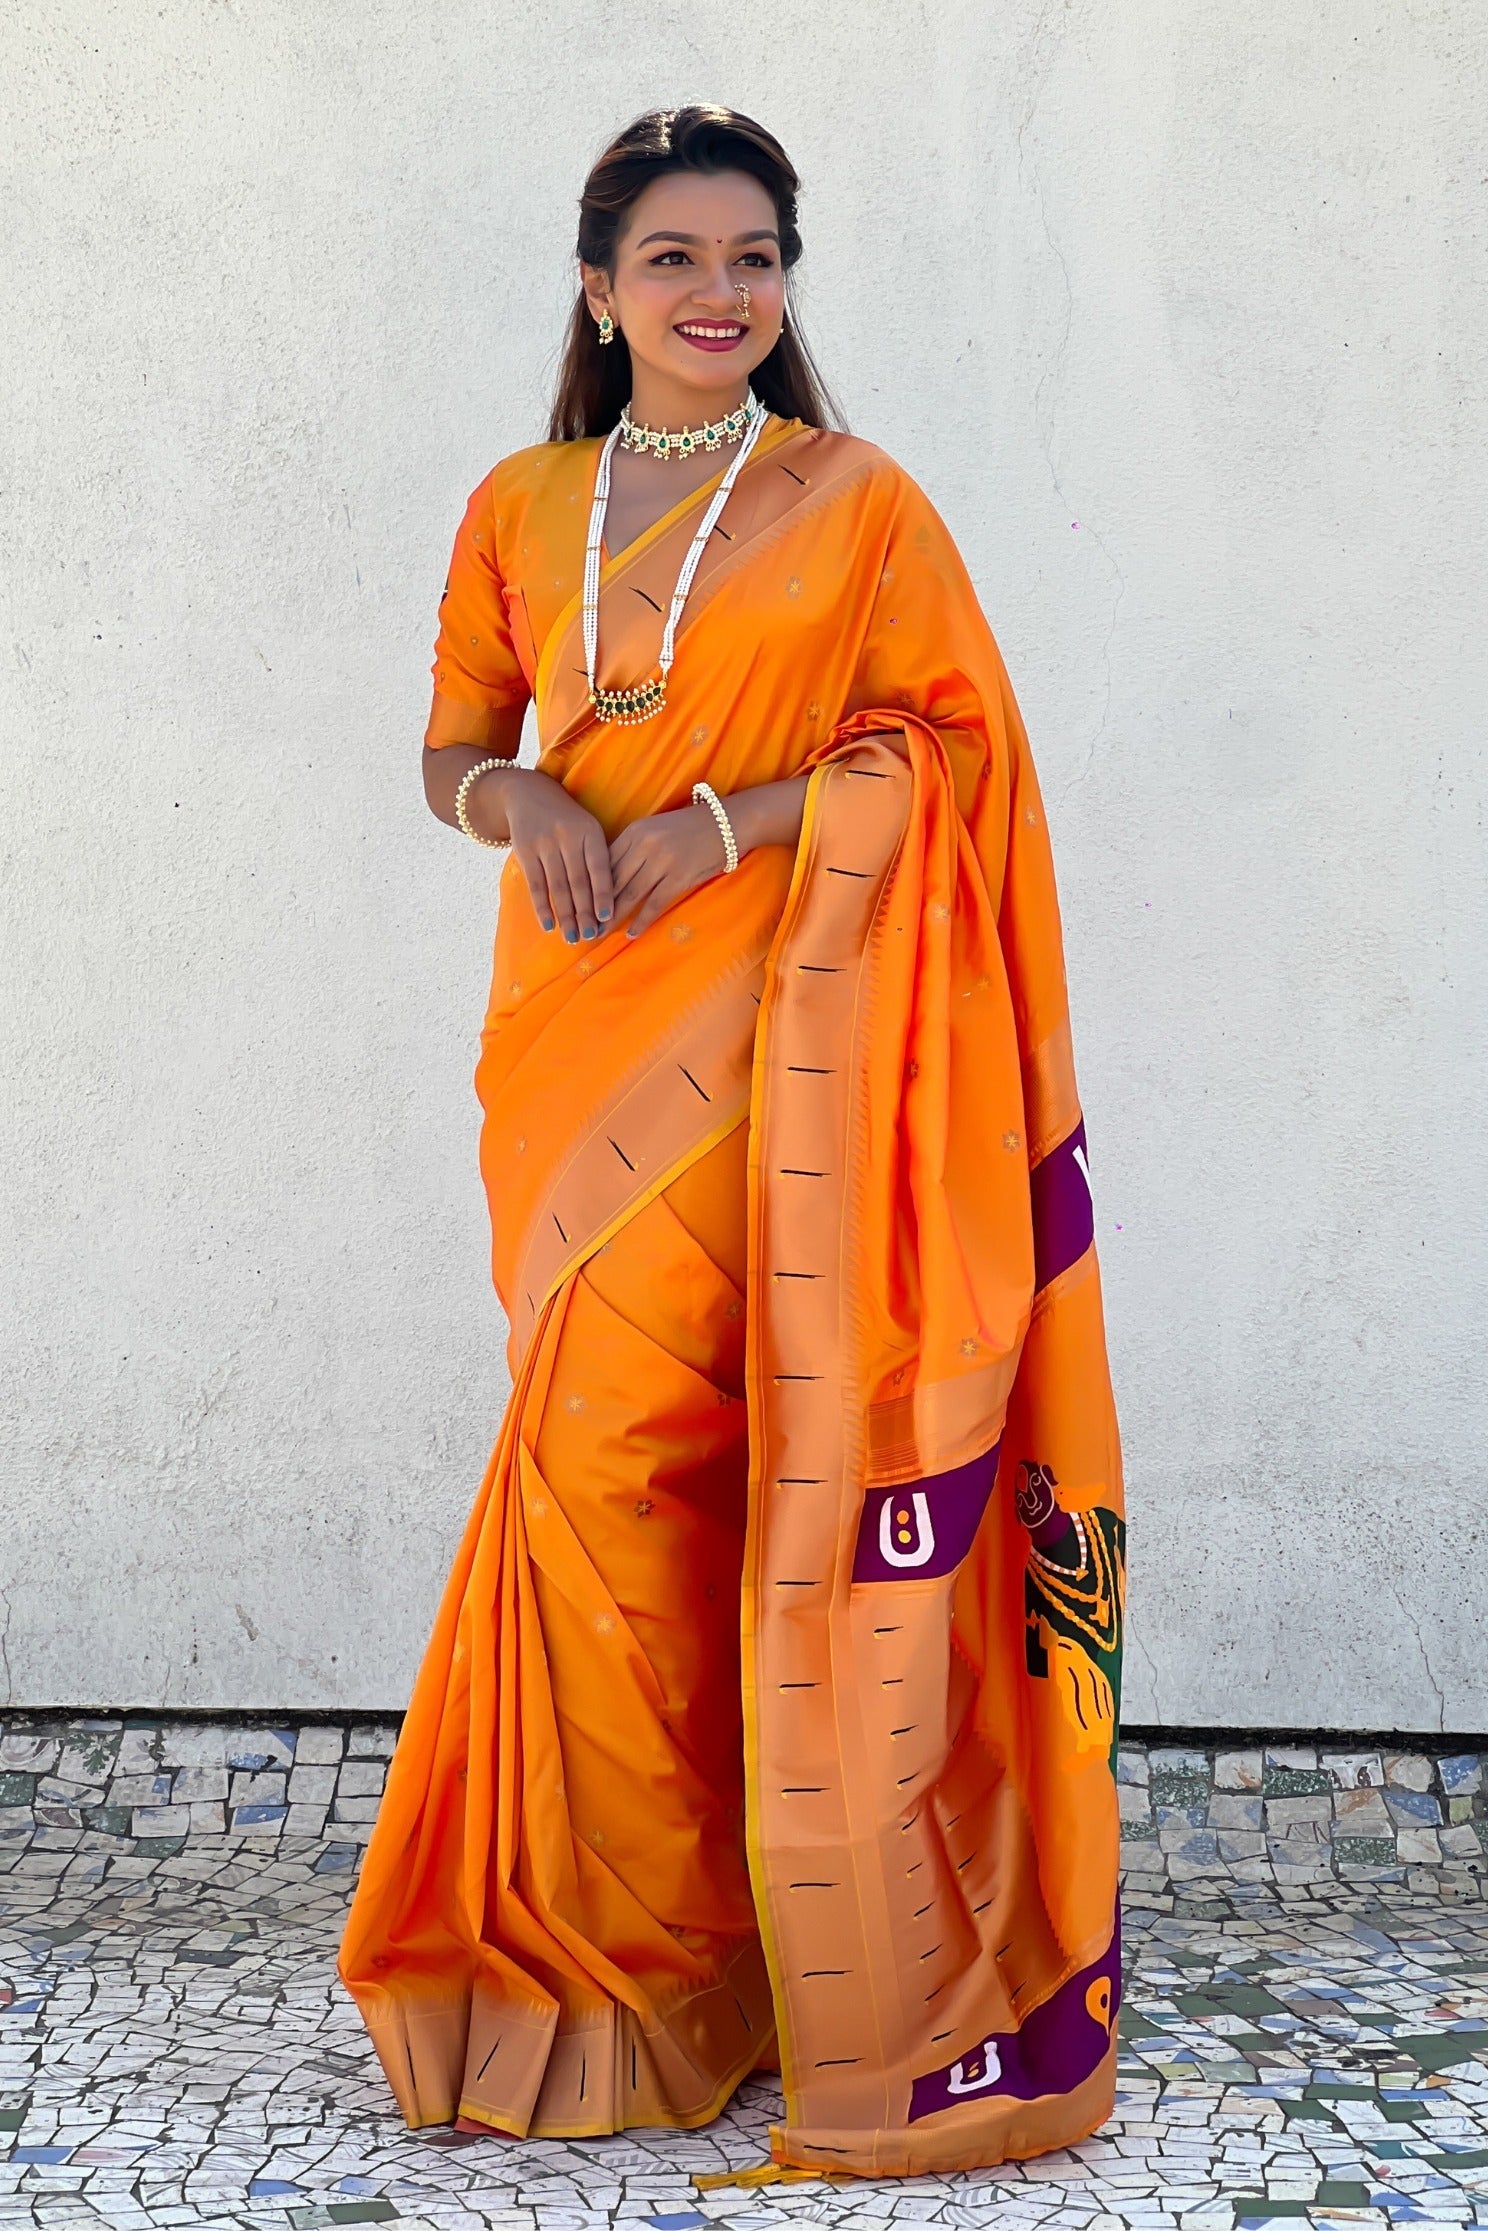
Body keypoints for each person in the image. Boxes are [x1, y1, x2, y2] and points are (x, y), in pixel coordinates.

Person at [339, 104, 1125, 2180]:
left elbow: (945, 748)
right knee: (598, 1476)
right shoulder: (524, 500)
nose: (722, 296)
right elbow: (453, 745)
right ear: (599, 290)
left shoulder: (860, 503)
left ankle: (770, 1947)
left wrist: (719, 823)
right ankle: (615, 1960)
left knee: (728, 1471)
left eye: (756, 258)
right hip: (576, 1040)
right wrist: (528, 808)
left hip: (788, 1037)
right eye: (676, 259)